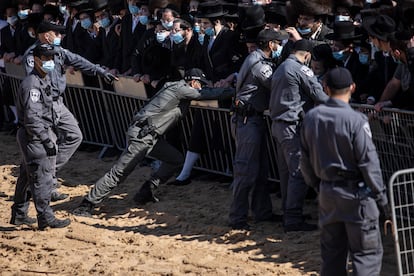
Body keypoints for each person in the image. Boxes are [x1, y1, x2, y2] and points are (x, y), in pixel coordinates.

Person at [74, 68, 234, 216]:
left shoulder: (176, 87)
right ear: (193, 82)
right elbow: (206, 94)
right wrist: (235, 90)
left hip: (149, 135)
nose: (201, 87)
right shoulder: (181, 89)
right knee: (120, 173)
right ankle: (86, 204)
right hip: (143, 135)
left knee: (175, 159)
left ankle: (146, 191)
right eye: (200, 84)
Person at [300, 67, 389, 275]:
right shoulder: (357, 120)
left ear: (326, 88)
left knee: (332, 256)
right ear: (353, 87)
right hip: (356, 196)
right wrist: (381, 197)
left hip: (328, 194)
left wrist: (318, 186)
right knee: (366, 256)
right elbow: (369, 162)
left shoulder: (311, 118)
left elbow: (302, 160)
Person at [19, 20, 118, 202]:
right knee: (50, 145)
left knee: (74, 135)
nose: (60, 36)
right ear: (46, 35)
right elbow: (34, 80)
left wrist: (99, 71)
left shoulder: (58, 51)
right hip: (43, 105)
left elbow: (77, 60)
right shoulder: (32, 55)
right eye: (56, 33)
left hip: (59, 103)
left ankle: (46, 174)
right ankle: (45, 184)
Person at [228, 29, 288, 230]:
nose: (279, 47)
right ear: (270, 44)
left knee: (260, 169)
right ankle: (237, 218)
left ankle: (262, 212)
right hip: (247, 119)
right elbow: (274, 84)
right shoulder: (259, 64)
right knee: (245, 171)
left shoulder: (258, 59)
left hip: (254, 119)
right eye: (278, 43)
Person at [269, 39, 328, 232]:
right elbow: (318, 94)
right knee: (299, 173)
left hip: (279, 125)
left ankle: (289, 212)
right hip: (292, 127)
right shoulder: (301, 69)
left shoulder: (281, 67)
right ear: (308, 54)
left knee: (286, 172)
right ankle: (293, 218)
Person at [11, 43, 71, 230]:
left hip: (35, 134)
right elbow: (32, 117)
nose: (50, 62)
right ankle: (45, 217)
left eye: (52, 58)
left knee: (26, 175)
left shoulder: (42, 79)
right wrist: (45, 139)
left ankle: (19, 213)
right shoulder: (33, 84)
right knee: (41, 176)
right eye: (46, 59)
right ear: (36, 60)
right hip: (35, 136)